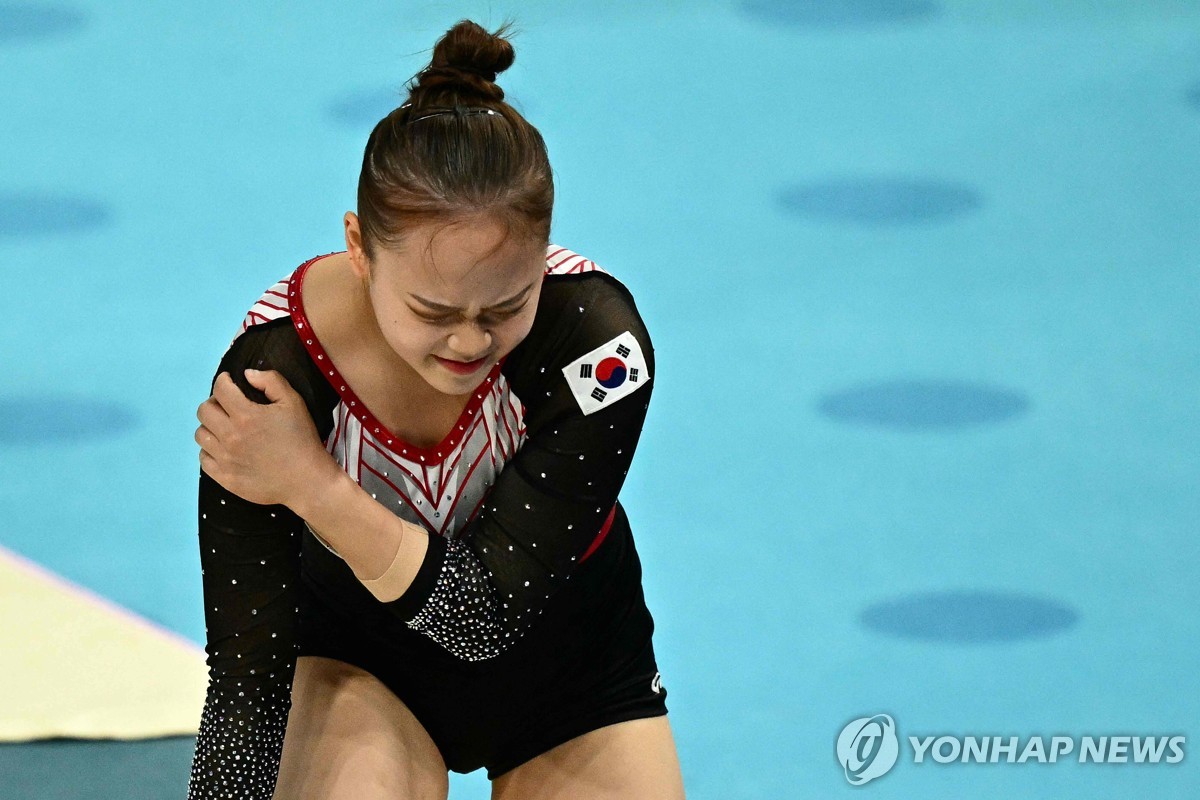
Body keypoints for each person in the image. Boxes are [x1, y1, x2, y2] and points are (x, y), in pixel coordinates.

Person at [186, 18, 685, 800]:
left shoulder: (599, 351)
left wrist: (311, 486)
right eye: (432, 309)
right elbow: (246, 681)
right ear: (358, 247)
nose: (468, 341)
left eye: (506, 306)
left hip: (571, 671)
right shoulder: (275, 379)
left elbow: (480, 616)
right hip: (360, 663)